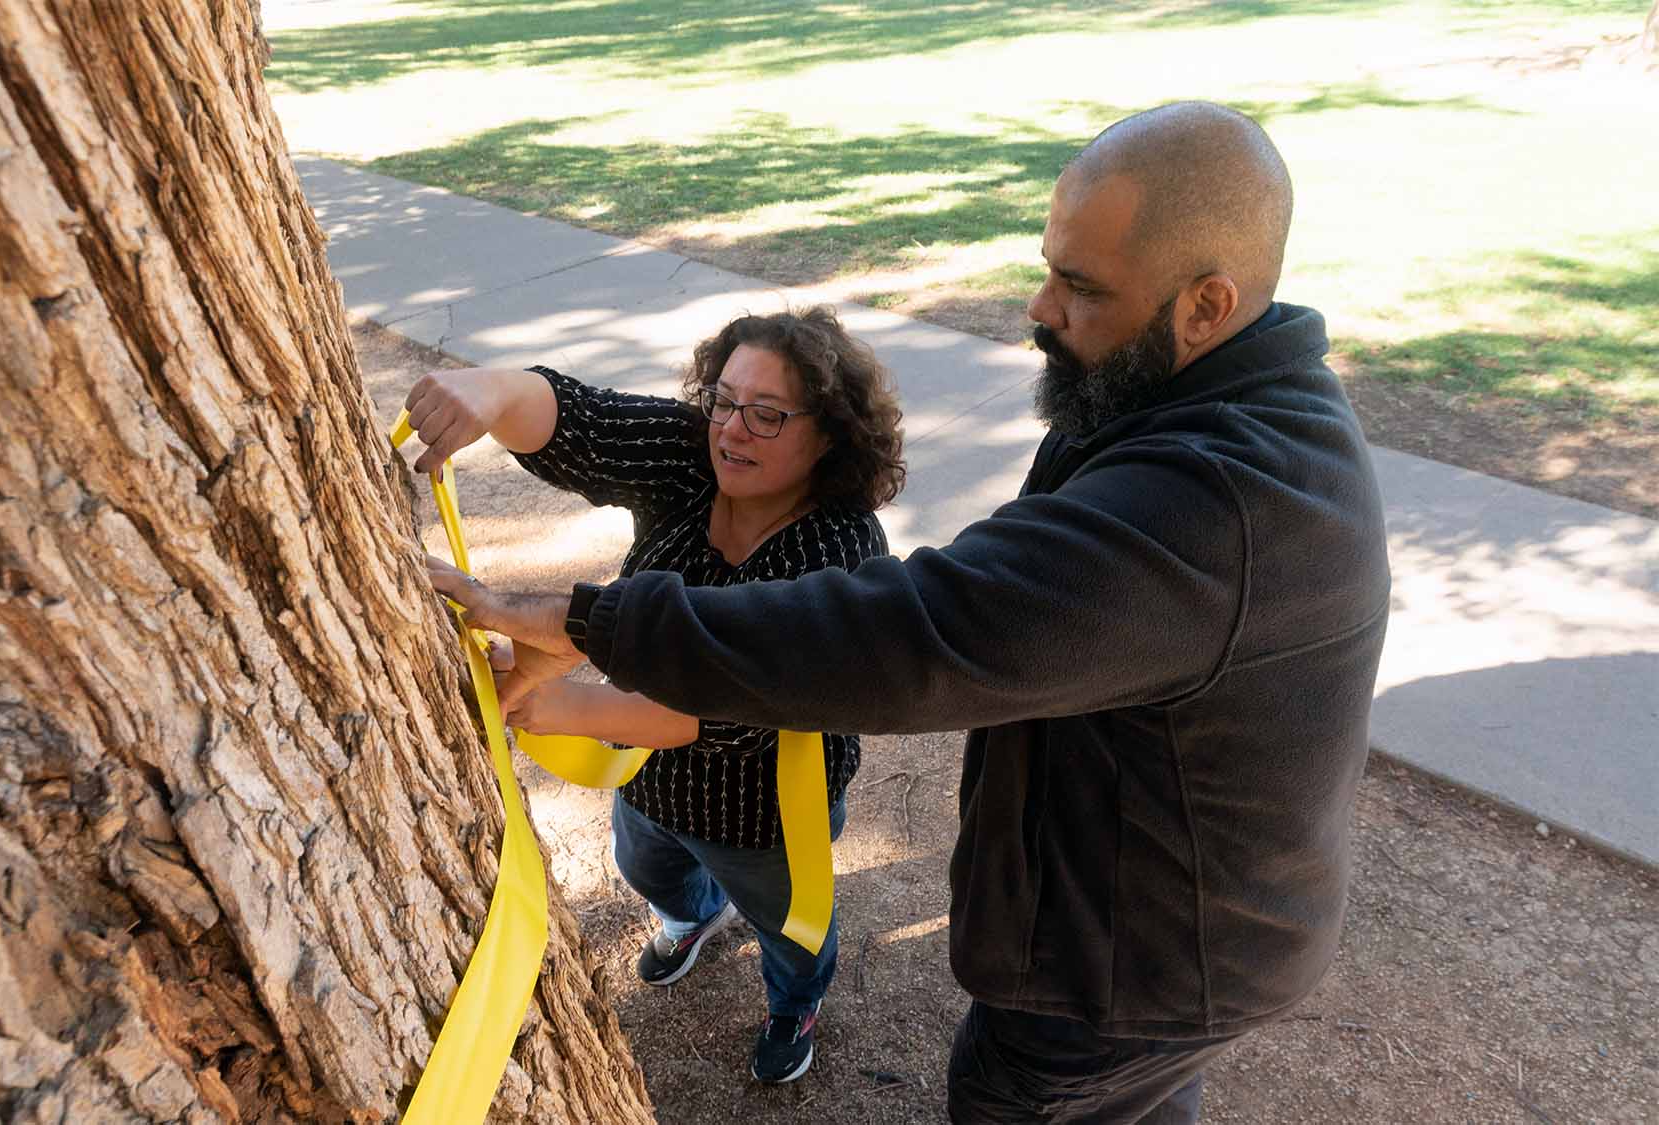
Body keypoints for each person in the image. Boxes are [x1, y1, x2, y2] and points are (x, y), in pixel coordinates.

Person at [428, 102, 1391, 1123]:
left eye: (1079, 286)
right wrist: (496, 391)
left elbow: (916, 633)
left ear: (1205, 305)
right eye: (1049, 266)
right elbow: (591, 425)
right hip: (1158, 933)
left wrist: (585, 625)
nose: (1039, 307)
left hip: (1131, 971)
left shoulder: (1215, 502)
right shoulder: (1181, 402)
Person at [400, 305, 907, 1084]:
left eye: (767, 415)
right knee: (647, 866)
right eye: (724, 400)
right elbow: (584, 423)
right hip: (650, 775)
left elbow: (710, 703)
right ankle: (693, 915)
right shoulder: (693, 456)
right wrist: (494, 390)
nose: (732, 430)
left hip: (763, 809)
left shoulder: (836, 553)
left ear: (831, 434)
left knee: (791, 925)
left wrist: (546, 701)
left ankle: (795, 1000)